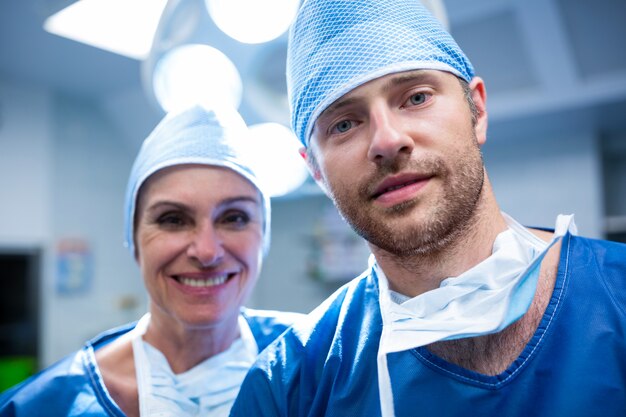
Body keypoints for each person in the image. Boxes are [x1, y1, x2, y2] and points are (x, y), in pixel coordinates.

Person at [229, 0, 626, 416]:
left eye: (416, 97)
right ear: (316, 171)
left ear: (478, 110)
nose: (386, 140)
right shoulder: (289, 388)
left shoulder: (615, 293)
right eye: (344, 124)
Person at [0, 105, 302, 417]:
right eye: (173, 219)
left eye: (234, 217)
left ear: (263, 235)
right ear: (134, 240)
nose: (207, 251)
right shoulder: (41, 407)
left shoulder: (318, 361)